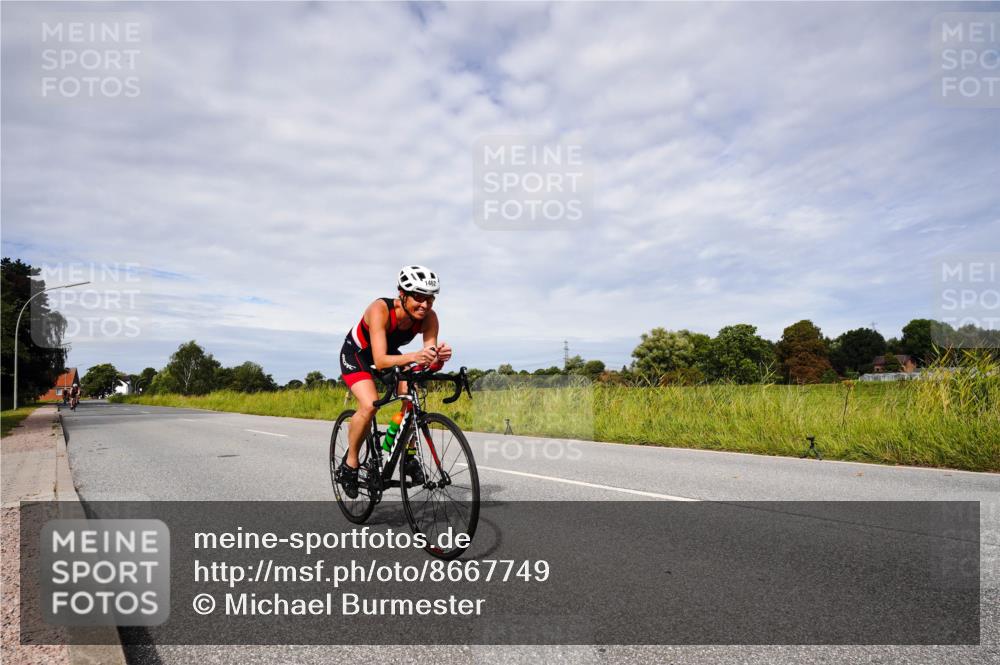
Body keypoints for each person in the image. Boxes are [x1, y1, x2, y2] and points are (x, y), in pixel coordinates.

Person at [337, 265, 452, 498]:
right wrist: (414, 357)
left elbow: (426, 359)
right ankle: (350, 465)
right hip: (358, 355)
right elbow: (379, 361)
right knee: (369, 405)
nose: (425, 305)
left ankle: (407, 456)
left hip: (393, 354)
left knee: (412, 397)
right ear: (402, 294)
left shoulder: (429, 318)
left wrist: (438, 359)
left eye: (430, 299)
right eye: (418, 297)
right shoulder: (380, 309)